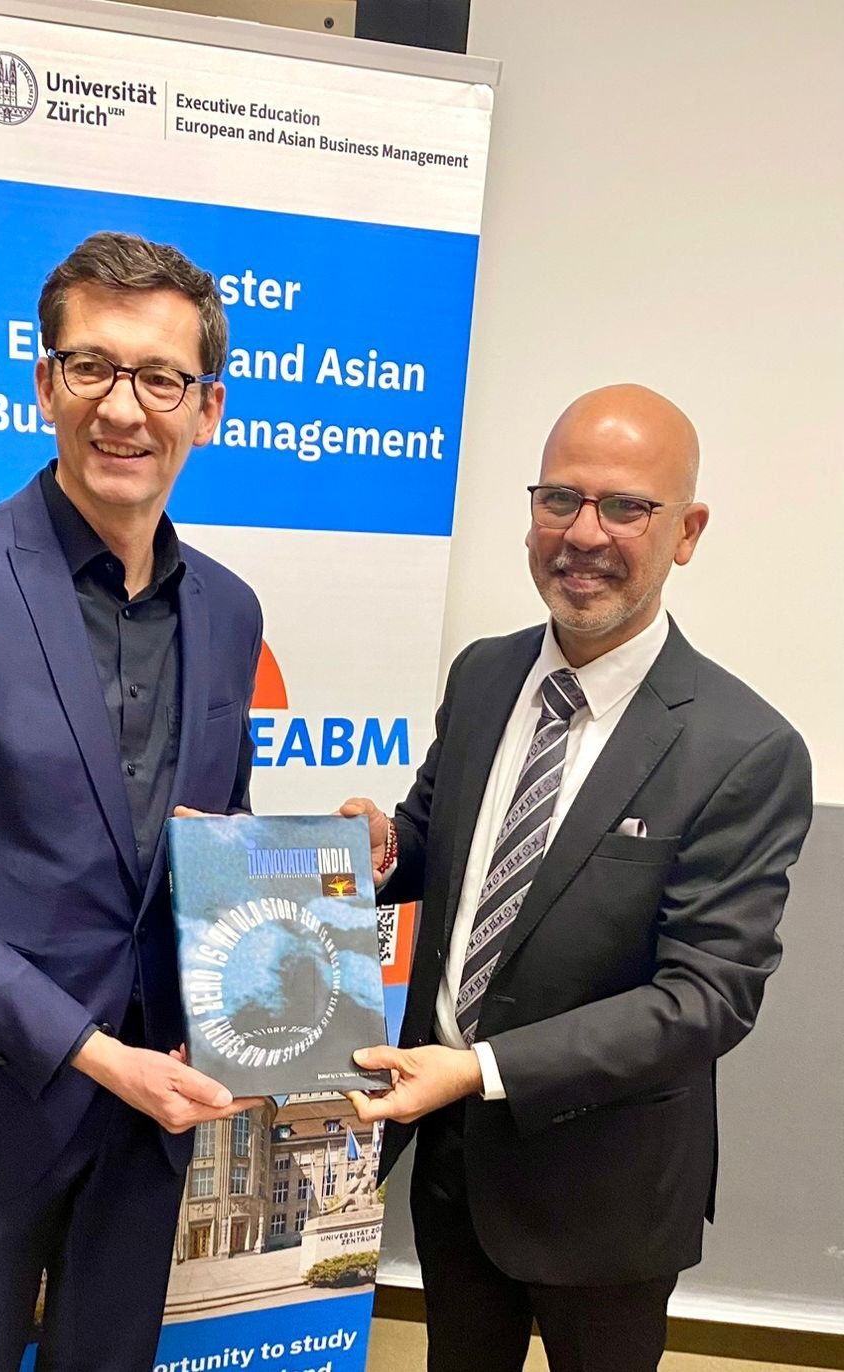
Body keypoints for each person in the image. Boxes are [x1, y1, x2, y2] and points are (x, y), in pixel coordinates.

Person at [0, 231, 264, 1372]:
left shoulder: (230, 612)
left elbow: (213, 850)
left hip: (153, 1116)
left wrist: (308, 869)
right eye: (92, 367)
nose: (123, 408)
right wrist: (93, 1053)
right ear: (44, 383)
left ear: (208, 407)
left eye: (161, 377)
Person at [341, 384, 812, 1372]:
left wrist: (482, 1067)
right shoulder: (483, 675)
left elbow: (706, 998)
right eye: (560, 498)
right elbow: (436, 846)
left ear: (687, 532)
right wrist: (382, 850)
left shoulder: (744, 749)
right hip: (453, 1160)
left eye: (625, 507)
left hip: (606, 1190)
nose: (583, 533)